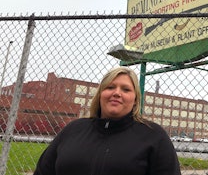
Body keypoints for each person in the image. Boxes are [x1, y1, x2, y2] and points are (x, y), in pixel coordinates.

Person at [33, 67, 182, 175]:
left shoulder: (154, 136)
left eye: (125, 89)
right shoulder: (73, 130)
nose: (117, 93)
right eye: (110, 87)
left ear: (135, 100)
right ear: (100, 95)